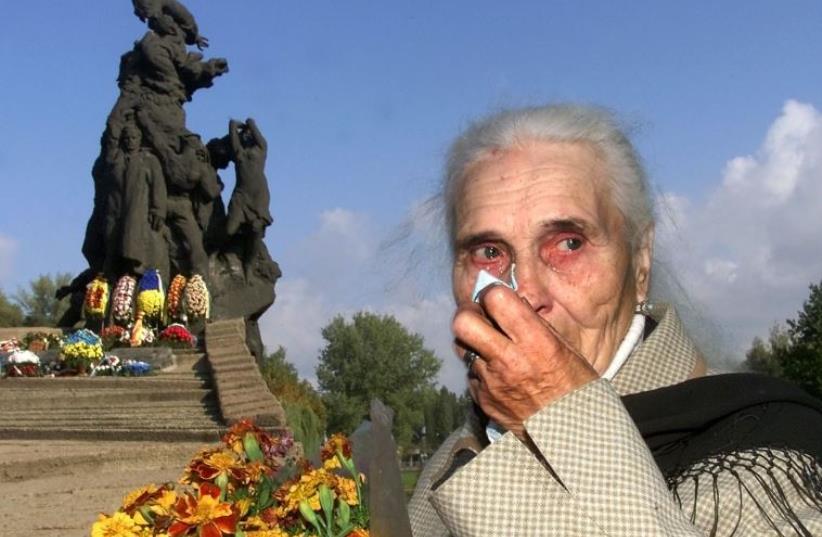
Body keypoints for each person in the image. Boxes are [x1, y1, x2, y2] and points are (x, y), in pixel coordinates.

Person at [408, 104, 822, 536]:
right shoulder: (451, 460)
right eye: (489, 253)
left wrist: (562, 423)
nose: (524, 293)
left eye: (569, 243)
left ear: (640, 261)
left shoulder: (766, 454)